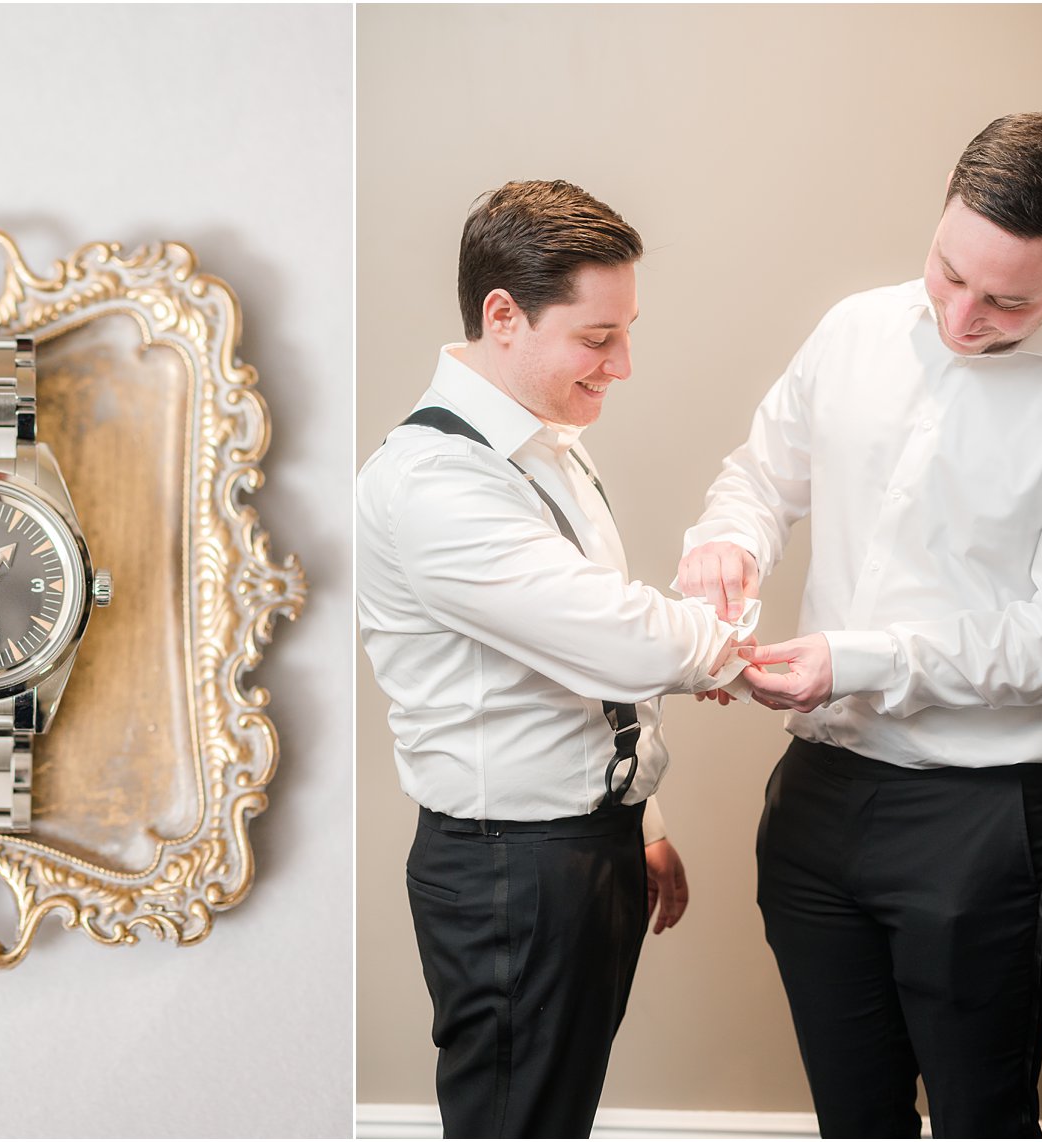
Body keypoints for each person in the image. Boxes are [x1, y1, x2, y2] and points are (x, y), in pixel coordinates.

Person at [677, 113, 1042, 1138]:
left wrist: (855, 660)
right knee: (853, 1120)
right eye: (946, 270)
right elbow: (758, 475)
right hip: (815, 800)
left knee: (980, 1119)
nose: (961, 314)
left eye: (1003, 298)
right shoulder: (852, 329)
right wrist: (722, 545)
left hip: (978, 820)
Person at [357, 180, 751, 1138]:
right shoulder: (434, 480)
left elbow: (575, 674)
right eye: (597, 336)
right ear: (504, 316)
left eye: (625, 332)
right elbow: (609, 632)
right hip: (510, 871)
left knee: (553, 1121)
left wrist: (640, 815)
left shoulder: (548, 448)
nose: (621, 364)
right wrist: (733, 652)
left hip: (579, 846)